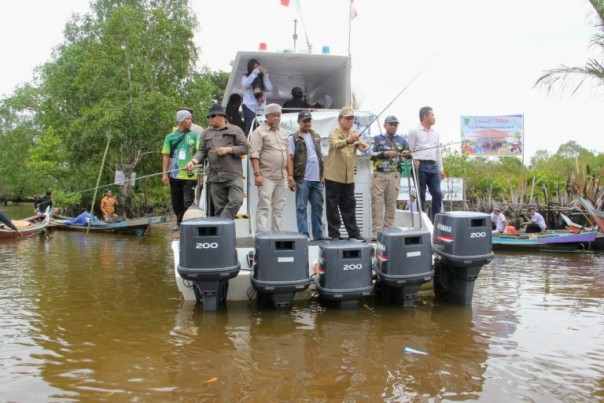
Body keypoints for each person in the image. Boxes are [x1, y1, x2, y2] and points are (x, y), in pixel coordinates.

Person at [186, 104, 248, 219]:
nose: (210, 119)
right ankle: (224, 233)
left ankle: (222, 223)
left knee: (237, 200)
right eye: (209, 117)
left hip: (233, 175)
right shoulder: (205, 133)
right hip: (215, 177)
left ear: (222, 116)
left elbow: (245, 148)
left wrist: (228, 150)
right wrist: (193, 162)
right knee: (219, 208)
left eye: (213, 116)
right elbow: (201, 151)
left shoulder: (235, 130)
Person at [324, 106, 369, 241]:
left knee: (349, 205)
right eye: (347, 119)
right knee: (332, 206)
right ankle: (334, 234)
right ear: (340, 120)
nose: (350, 121)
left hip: (349, 178)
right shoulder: (334, 132)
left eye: (352, 119)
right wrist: (349, 141)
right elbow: (336, 145)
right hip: (333, 176)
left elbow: (362, 146)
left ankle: (353, 233)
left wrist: (363, 145)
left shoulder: (354, 132)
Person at [286, 109, 327, 240]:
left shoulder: (316, 136)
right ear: (299, 122)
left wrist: (322, 175)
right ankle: (304, 235)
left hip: (316, 178)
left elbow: (320, 157)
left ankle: (318, 235)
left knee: (318, 207)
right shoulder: (293, 137)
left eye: (309, 121)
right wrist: (290, 176)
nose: (307, 124)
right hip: (302, 178)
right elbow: (290, 157)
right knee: (301, 208)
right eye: (304, 121)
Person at [249, 103, 289, 233]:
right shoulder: (259, 132)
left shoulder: (283, 132)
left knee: (279, 208)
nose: (277, 118)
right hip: (266, 176)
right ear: (267, 117)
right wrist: (257, 174)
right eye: (274, 116)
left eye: (278, 116)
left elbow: (287, 154)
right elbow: (254, 154)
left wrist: (290, 175)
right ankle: (260, 236)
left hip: (282, 176)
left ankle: (276, 235)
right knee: (264, 206)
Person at [369, 115, 411, 240]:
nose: (393, 126)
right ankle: (377, 231)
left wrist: (407, 154)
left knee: (391, 203)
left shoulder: (402, 140)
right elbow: (370, 154)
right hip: (379, 174)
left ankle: (388, 230)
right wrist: (385, 154)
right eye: (391, 124)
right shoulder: (377, 139)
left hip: (394, 174)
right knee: (377, 203)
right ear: (385, 125)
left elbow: (410, 156)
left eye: (395, 124)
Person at [162, 109, 200, 230]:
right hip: (174, 174)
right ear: (180, 120)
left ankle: (187, 222)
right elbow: (166, 155)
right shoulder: (170, 137)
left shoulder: (195, 135)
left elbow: (200, 152)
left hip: (190, 174)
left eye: (190, 119)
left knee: (187, 201)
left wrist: (193, 161)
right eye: (187, 119)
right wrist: (164, 174)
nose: (190, 121)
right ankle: (179, 221)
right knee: (176, 201)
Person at [407, 106, 445, 221]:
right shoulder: (414, 131)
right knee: (421, 195)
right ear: (425, 117)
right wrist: (413, 159)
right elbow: (409, 149)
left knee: (437, 193)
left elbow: (438, 151)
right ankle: (422, 221)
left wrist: (441, 168)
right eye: (432, 115)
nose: (434, 117)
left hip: (433, 166)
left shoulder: (436, 133)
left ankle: (435, 221)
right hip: (420, 166)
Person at [242, 58, 273, 135]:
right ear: (251, 68)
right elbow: (245, 84)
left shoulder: (262, 77)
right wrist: (254, 73)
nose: (257, 69)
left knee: (261, 129)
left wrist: (265, 77)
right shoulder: (246, 76)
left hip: (260, 107)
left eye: (258, 67)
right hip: (249, 106)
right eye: (255, 67)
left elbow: (269, 88)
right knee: (250, 127)